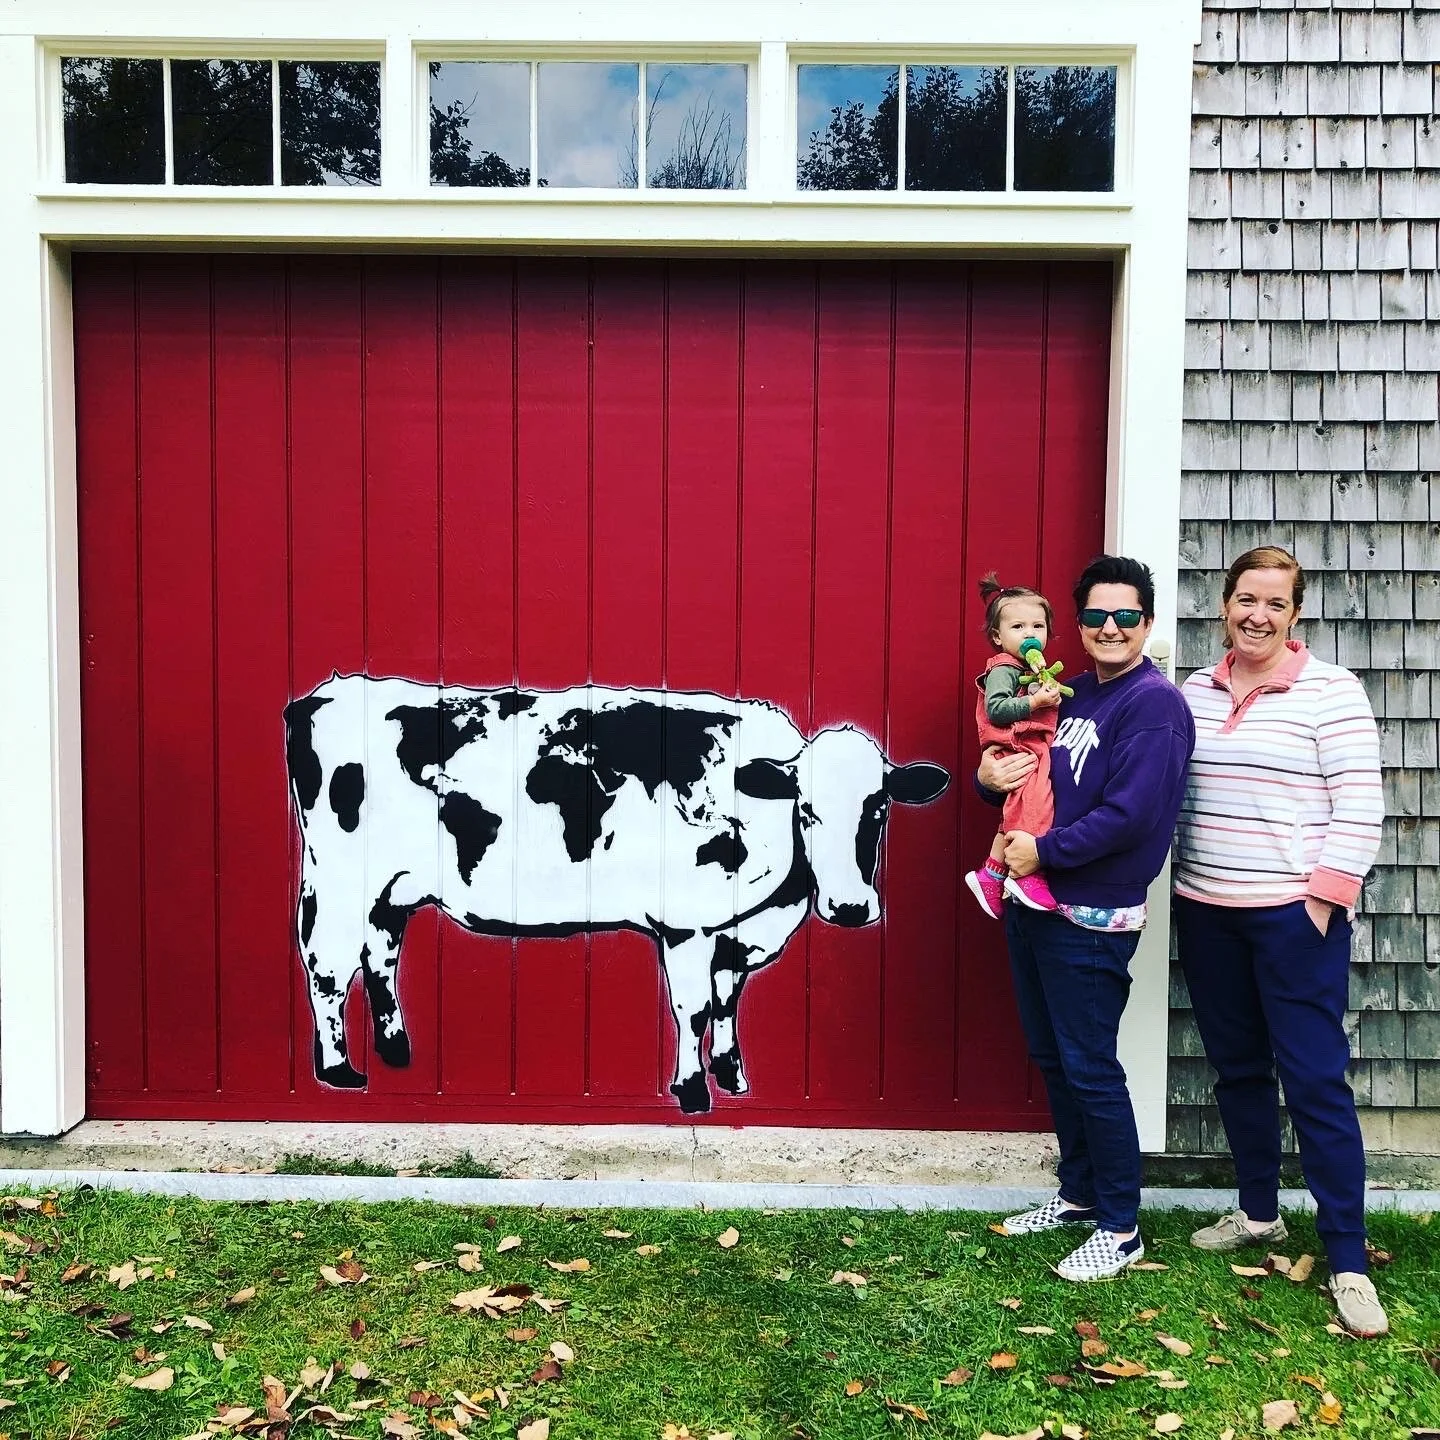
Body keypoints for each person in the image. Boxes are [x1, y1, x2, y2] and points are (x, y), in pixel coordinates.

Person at [1172, 546, 1387, 1337]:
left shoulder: (1332, 691)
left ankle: (1350, 1260)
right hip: (1206, 908)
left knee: (1315, 1082)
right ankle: (1259, 1213)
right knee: (1238, 1071)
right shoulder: (1193, 690)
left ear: (1296, 615)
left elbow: (1361, 803)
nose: (1256, 614)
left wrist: (1323, 902)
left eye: (1274, 602)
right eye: (1244, 599)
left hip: (1294, 918)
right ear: (1224, 604)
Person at [977, 554, 1195, 1281]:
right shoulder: (1071, 696)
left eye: (1126, 615)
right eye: (1097, 615)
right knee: (1054, 1057)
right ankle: (1077, 1196)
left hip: (1088, 915)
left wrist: (1045, 853)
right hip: (1034, 900)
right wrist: (988, 780)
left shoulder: (1152, 707)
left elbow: (1134, 819)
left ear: (1148, 623)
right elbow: (1025, 771)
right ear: (1076, 625)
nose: (1110, 627)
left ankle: (1120, 1224)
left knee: (1091, 1067)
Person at [964, 573, 1065, 919]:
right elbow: (997, 709)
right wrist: (1035, 702)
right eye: (1018, 627)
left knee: (1019, 810)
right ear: (998, 636)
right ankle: (1026, 874)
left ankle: (992, 872)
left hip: (1025, 743)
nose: (1029, 634)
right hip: (1015, 743)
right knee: (1037, 804)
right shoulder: (1004, 669)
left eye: (1038, 626)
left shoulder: (1032, 669)